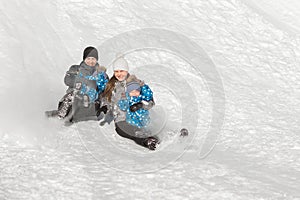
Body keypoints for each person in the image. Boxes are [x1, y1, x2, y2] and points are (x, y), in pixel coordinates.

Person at [98, 54, 159, 150]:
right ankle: (147, 141)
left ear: (127, 71)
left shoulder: (135, 84)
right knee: (128, 130)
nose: (119, 74)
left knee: (149, 127)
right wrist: (105, 106)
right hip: (121, 120)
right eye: (116, 71)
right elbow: (107, 99)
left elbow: (151, 102)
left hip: (137, 116)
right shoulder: (112, 85)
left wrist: (140, 105)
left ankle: (167, 137)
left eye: (122, 71)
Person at [45, 46, 108, 124]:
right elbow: (67, 80)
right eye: (88, 58)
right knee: (74, 96)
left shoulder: (100, 73)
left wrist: (99, 79)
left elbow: (106, 87)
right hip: (75, 97)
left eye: (93, 59)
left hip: (91, 101)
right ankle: (61, 114)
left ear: (96, 60)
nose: (91, 61)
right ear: (84, 59)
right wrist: (80, 81)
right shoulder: (76, 69)